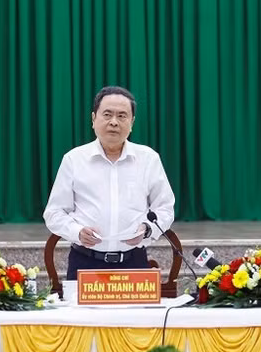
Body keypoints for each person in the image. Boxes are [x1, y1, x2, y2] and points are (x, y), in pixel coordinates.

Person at [44, 86, 175, 280]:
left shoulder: (148, 159)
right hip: (85, 263)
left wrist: (148, 230)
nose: (114, 122)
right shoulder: (74, 159)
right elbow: (54, 213)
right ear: (93, 119)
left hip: (134, 263)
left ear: (132, 123)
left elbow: (165, 209)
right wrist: (77, 232)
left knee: (137, 312)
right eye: (107, 114)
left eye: (122, 116)